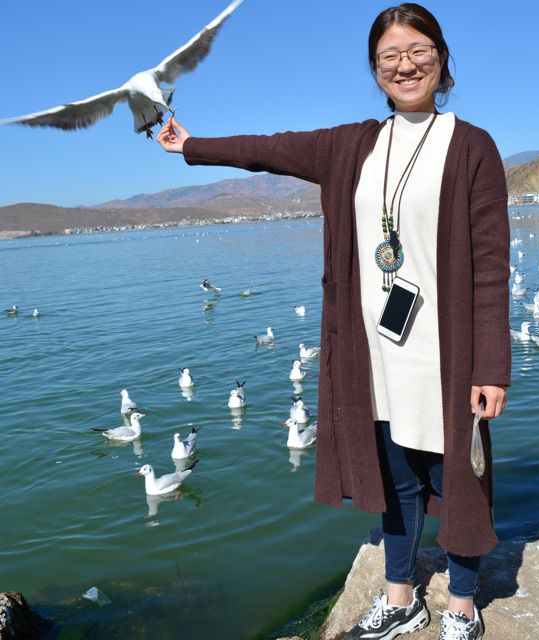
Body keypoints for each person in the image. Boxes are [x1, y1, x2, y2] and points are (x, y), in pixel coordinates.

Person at [157, 4, 510, 639]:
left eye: (419, 51)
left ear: (442, 60)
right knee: (395, 476)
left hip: (446, 349)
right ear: (375, 70)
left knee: (458, 475)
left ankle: (462, 603)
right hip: (376, 349)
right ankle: (401, 597)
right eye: (389, 57)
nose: (405, 66)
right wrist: (192, 146)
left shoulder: (471, 146)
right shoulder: (352, 145)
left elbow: (490, 266)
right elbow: (269, 149)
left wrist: (490, 365)